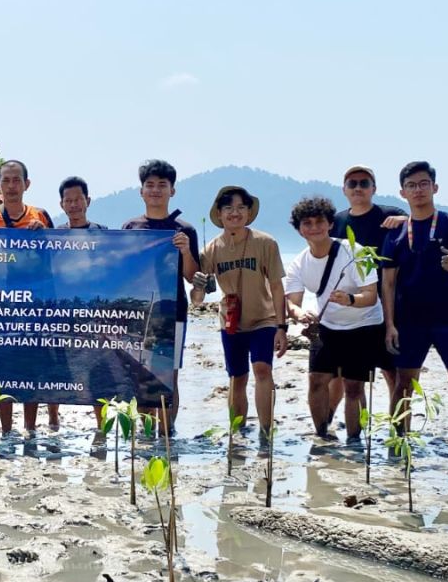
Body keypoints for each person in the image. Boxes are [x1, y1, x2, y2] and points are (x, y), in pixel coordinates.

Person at [381, 161, 448, 450]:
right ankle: (397, 448)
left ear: (434, 188)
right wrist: (389, 325)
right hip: (409, 321)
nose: (418, 190)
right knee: (403, 386)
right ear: (403, 193)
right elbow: (387, 283)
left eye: (424, 183)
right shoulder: (396, 233)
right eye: (412, 185)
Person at [283, 196, 384, 440]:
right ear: (299, 229)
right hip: (327, 325)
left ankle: (354, 441)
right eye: (307, 223)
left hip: (364, 324)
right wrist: (299, 314)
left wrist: (350, 299)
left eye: (320, 221)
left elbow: (371, 296)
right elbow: (290, 302)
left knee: (353, 386)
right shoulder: (299, 263)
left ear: (330, 224)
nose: (314, 227)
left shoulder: (356, 252)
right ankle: (321, 436)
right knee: (317, 380)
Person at [190, 186, 286, 438]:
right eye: (229, 208)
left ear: (248, 212)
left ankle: (267, 433)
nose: (235, 213)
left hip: (263, 319)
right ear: (220, 214)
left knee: (262, 369)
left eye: (241, 208)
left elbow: (277, 287)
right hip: (230, 321)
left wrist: (281, 326)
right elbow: (197, 300)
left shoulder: (266, 243)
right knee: (237, 377)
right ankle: (238, 433)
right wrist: (198, 284)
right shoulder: (212, 248)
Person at [0, 159, 56, 432]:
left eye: (16, 180)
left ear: (26, 184)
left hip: (33, 305)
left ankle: (30, 429)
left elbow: (58, 258)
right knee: (2, 368)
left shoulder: (39, 217)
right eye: (5, 180)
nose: (11, 186)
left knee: (30, 368)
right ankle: (6, 430)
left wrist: (45, 237)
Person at [323, 165, 407, 419]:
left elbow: (422, 221)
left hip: (387, 306)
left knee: (392, 372)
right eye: (353, 184)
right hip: (350, 309)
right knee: (341, 374)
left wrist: (406, 220)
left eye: (364, 183)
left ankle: (398, 430)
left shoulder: (390, 215)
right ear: (344, 190)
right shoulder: (336, 222)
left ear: (374, 189)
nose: (358, 188)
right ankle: (327, 422)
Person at [122, 159, 199, 432]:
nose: (155, 190)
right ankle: (145, 433)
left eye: (162, 185)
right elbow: (121, 272)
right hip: (139, 313)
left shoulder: (184, 230)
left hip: (172, 310)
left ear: (172, 191)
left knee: (168, 376)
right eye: (150, 185)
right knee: (141, 375)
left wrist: (186, 251)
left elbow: (192, 276)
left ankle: (167, 435)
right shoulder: (130, 228)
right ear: (141, 191)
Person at [59, 176, 106, 428]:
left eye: (78, 199)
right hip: (61, 316)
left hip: (94, 317)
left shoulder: (104, 235)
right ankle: (54, 422)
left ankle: (101, 426)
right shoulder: (52, 237)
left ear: (87, 201)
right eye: (69, 200)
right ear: (61, 204)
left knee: (96, 373)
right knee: (57, 370)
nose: (74, 204)